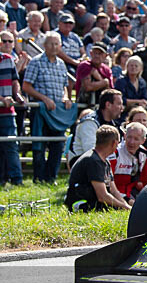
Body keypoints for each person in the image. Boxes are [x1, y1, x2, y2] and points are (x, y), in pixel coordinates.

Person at [22, 32, 75, 183]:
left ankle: (52, 177)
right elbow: (26, 86)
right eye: (50, 43)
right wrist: (43, 99)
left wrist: (66, 97)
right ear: (44, 45)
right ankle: (39, 178)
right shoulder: (36, 62)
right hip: (40, 110)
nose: (53, 46)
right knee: (39, 145)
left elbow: (65, 87)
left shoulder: (61, 64)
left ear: (60, 46)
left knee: (57, 144)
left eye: (56, 44)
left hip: (57, 111)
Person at [64, 125, 130, 211]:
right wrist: (125, 207)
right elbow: (102, 196)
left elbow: (114, 191)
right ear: (114, 143)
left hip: (95, 203)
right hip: (83, 205)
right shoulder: (93, 161)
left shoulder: (105, 161)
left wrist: (126, 206)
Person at [67, 88, 124, 168]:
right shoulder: (89, 123)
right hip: (84, 167)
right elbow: (91, 151)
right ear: (108, 105)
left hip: (103, 164)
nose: (122, 108)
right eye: (119, 104)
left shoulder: (115, 125)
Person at [109, 122, 147, 204]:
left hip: (131, 193)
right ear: (124, 136)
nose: (131, 142)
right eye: (129, 137)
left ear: (143, 140)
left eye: (136, 139)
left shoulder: (144, 154)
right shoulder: (115, 152)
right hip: (114, 194)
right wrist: (127, 201)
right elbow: (108, 183)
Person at [0, 34, 24, 186]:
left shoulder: (8, 59)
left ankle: (17, 180)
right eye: (4, 41)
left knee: (11, 146)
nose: (7, 43)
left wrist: (17, 94)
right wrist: (2, 99)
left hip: (8, 111)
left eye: (9, 41)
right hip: (5, 106)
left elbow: (15, 81)